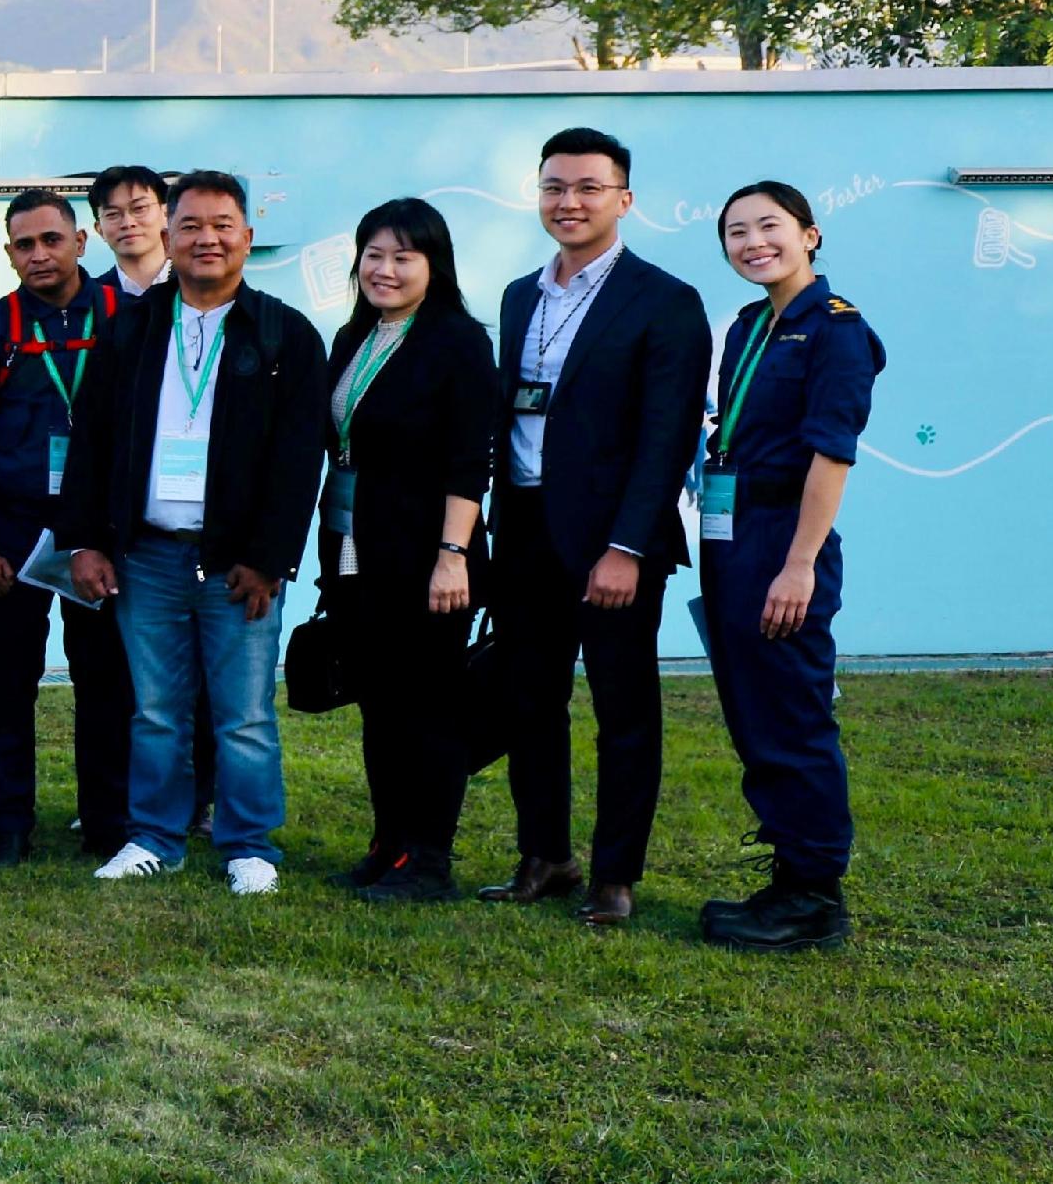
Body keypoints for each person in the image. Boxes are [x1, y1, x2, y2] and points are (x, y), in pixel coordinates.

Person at [62, 170, 327, 896]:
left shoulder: (283, 333)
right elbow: (91, 441)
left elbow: (300, 456)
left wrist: (270, 558)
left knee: (242, 713)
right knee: (154, 709)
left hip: (238, 563)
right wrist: (84, 540)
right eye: (191, 226)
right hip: (146, 555)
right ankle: (154, 837)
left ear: (246, 235)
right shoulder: (131, 328)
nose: (206, 239)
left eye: (222, 225)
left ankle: (249, 845)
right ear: (168, 237)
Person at [477, 127, 710, 930]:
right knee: (529, 701)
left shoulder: (665, 300)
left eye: (587, 188)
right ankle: (544, 855)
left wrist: (627, 547)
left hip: (614, 540)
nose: (567, 202)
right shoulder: (519, 295)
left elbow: (668, 436)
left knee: (623, 708)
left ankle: (614, 874)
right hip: (527, 529)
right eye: (553, 187)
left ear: (624, 199)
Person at [694, 181, 878, 952]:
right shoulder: (746, 326)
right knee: (754, 708)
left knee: (795, 714)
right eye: (736, 232)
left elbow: (833, 454)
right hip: (730, 534)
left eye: (769, 226)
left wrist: (799, 566)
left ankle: (815, 897)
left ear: (811, 234)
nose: (751, 242)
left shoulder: (837, 331)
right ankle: (788, 877)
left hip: (783, 539)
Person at [0, 190, 130, 863]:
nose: (38, 255)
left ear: (81, 242)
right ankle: (8, 827)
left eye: (51, 240)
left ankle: (108, 825)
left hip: (100, 534)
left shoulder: (129, 319)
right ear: (8, 251)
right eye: (23, 244)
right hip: (12, 532)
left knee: (105, 681)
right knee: (10, 681)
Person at [313, 197, 498, 903]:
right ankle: (388, 846)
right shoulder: (354, 337)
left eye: (403, 256)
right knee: (379, 703)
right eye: (374, 255)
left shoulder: (456, 340)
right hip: (355, 550)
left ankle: (429, 860)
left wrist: (453, 553)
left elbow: (468, 457)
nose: (385, 270)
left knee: (429, 708)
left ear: (433, 264)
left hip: (428, 556)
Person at [88, 165, 173, 297]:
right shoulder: (91, 298)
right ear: (99, 230)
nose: (127, 223)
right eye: (112, 214)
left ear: (166, 214)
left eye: (139, 208)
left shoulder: (196, 286)